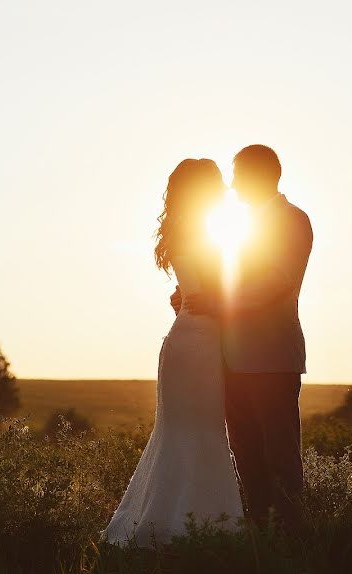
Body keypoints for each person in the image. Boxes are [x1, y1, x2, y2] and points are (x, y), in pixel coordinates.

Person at [103, 158, 244, 546]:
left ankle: (172, 524)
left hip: (186, 339)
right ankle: (195, 529)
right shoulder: (204, 234)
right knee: (199, 432)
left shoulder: (185, 231)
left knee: (186, 432)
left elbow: (196, 291)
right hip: (199, 343)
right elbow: (218, 293)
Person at [179, 144, 313, 529]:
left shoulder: (292, 220)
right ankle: (258, 533)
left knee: (280, 456)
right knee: (246, 455)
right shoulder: (240, 226)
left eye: (237, 174)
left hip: (272, 358)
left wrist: (217, 302)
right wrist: (192, 294)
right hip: (231, 359)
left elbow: (277, 282)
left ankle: (291, 538)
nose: (233, 184)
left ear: (261, 173)